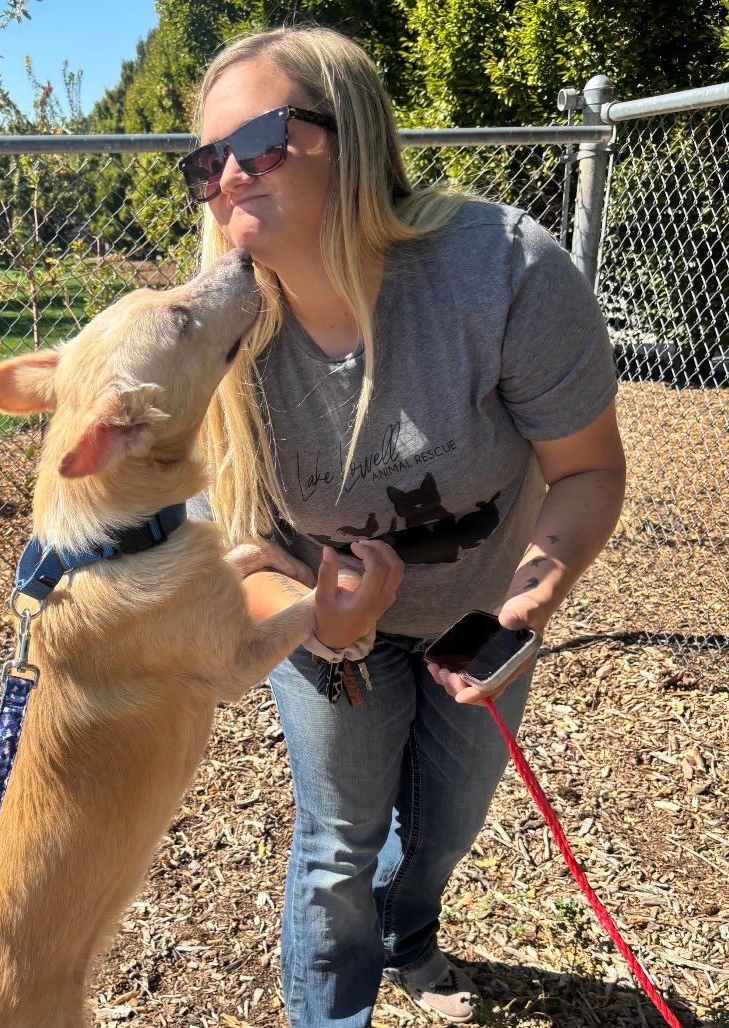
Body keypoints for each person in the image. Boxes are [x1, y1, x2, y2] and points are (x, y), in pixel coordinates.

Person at [180, 24, 626, 1028]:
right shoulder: (217, 329)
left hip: (479, 606)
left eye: (252, 141)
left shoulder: (500, 270)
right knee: (339, 834)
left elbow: (586, 468)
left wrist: (530, 595)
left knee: (444, 820)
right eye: (203, 161)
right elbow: (229, 540)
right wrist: (318, 621)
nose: (224, 178)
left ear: (349, 136)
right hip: (320, 615)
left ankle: (406, 933)